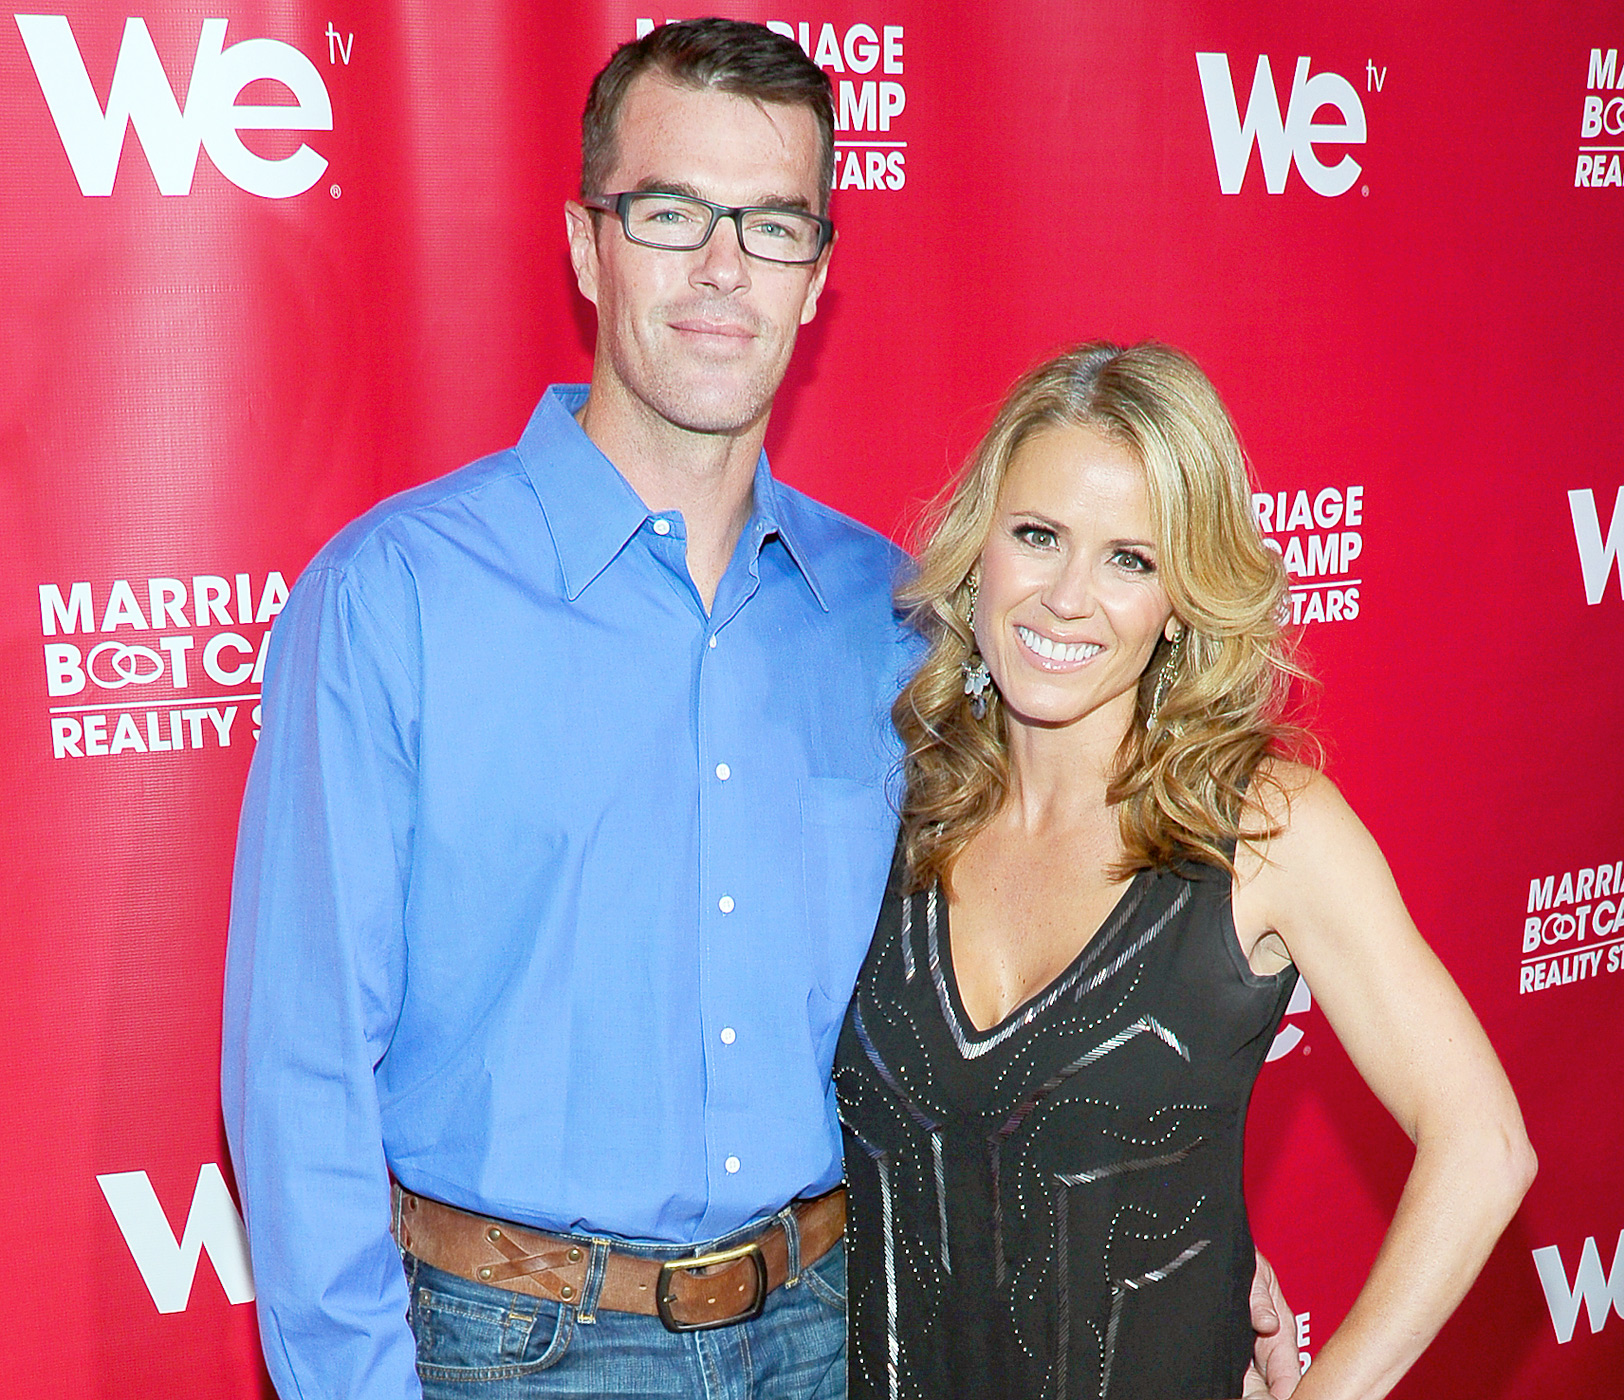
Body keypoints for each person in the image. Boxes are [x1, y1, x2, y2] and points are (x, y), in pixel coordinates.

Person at [223, 21, 1298, 1400]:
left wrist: (1181, 1225)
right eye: (672, 213)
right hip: (514, 1349)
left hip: (847, 1327)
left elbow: (1043, 969)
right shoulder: (396, 597)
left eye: (773, 224)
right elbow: (299, 1068)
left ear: (816, 276)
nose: (723, 268)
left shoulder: (906, 625)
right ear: (587, 245)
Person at [835, 342, 1537, 1400]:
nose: (1068, 596)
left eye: (1131, 559)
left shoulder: (1264, 829)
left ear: (1181, 598)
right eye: (1038, 535)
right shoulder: (887, 802)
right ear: (979, 550)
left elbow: (1483, 1145)